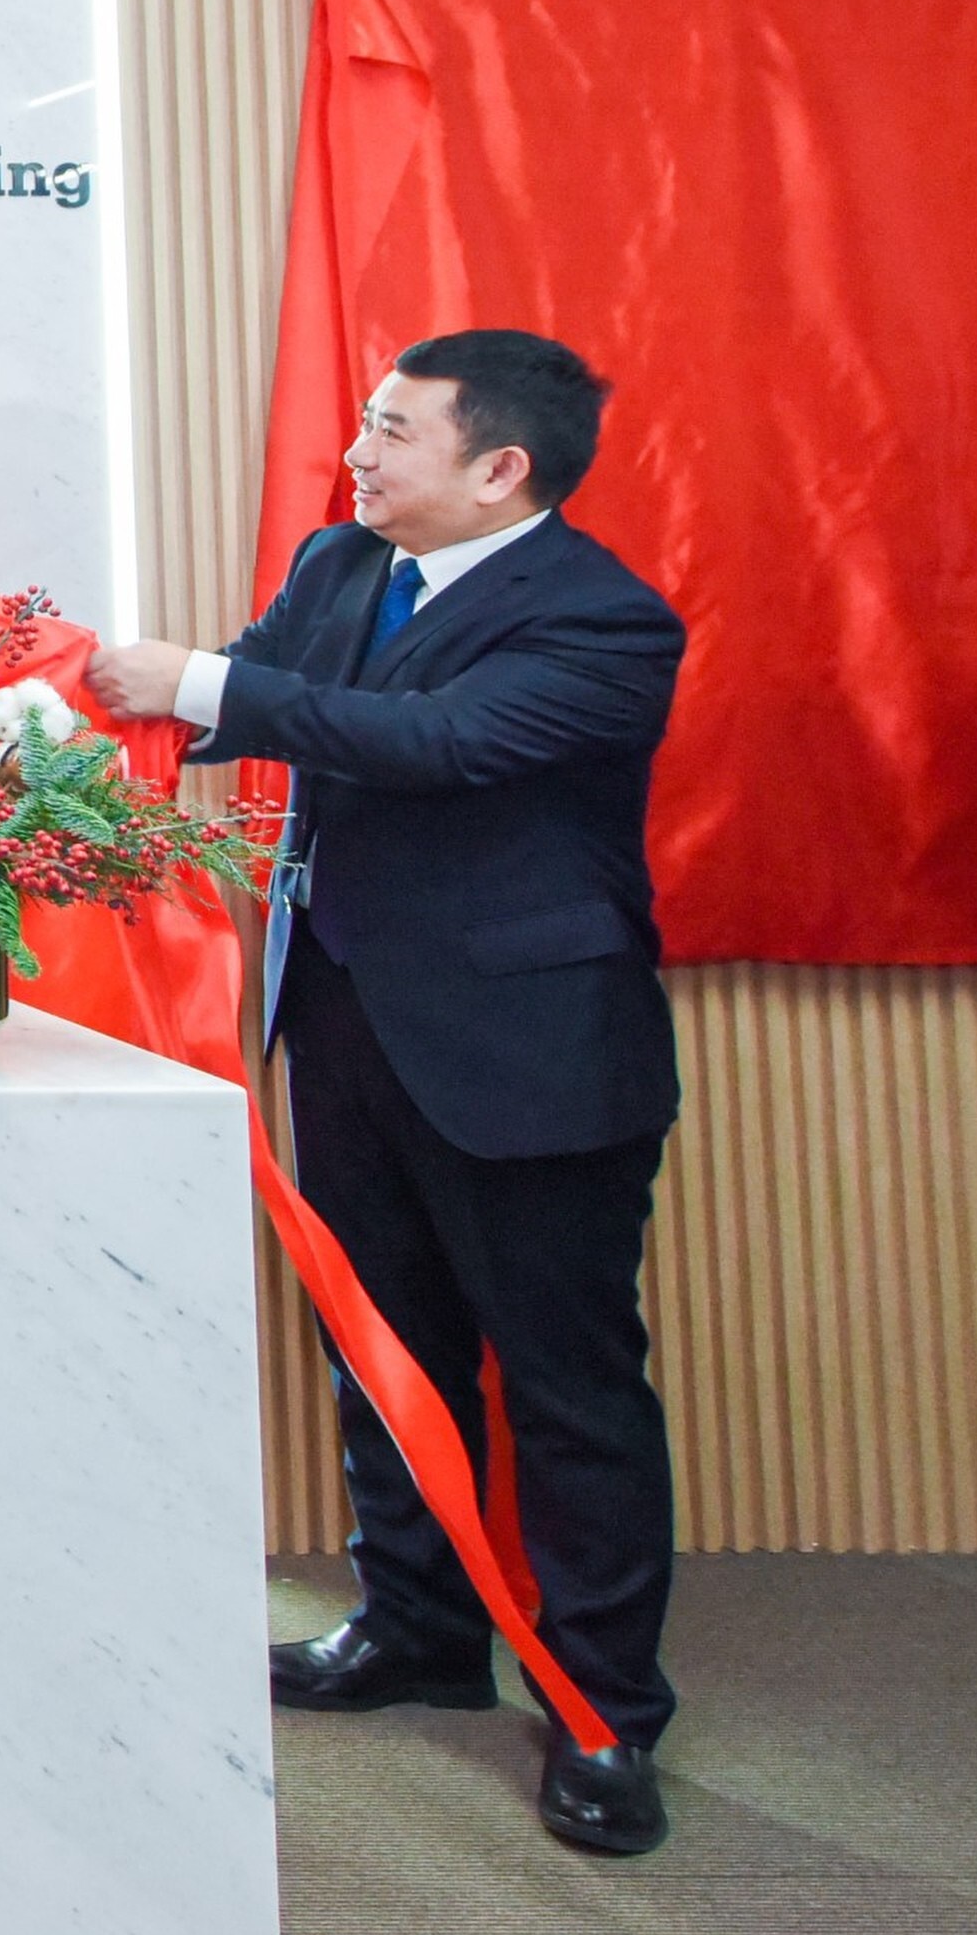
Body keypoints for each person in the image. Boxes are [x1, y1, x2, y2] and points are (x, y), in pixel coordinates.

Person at [88, 328, 686, 1858]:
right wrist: (87, 693)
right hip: (344, 1025)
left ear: (501, 467)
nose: (357, 454)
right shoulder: (346, 560)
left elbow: (441, 742)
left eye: (391, 430)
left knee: (566, 1388)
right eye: (361, 423)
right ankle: (416, 1624)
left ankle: (607, 1707)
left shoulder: (608, 621)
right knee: (384, 1350)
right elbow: (260, 697)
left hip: (530, 1059)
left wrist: (209, 680)